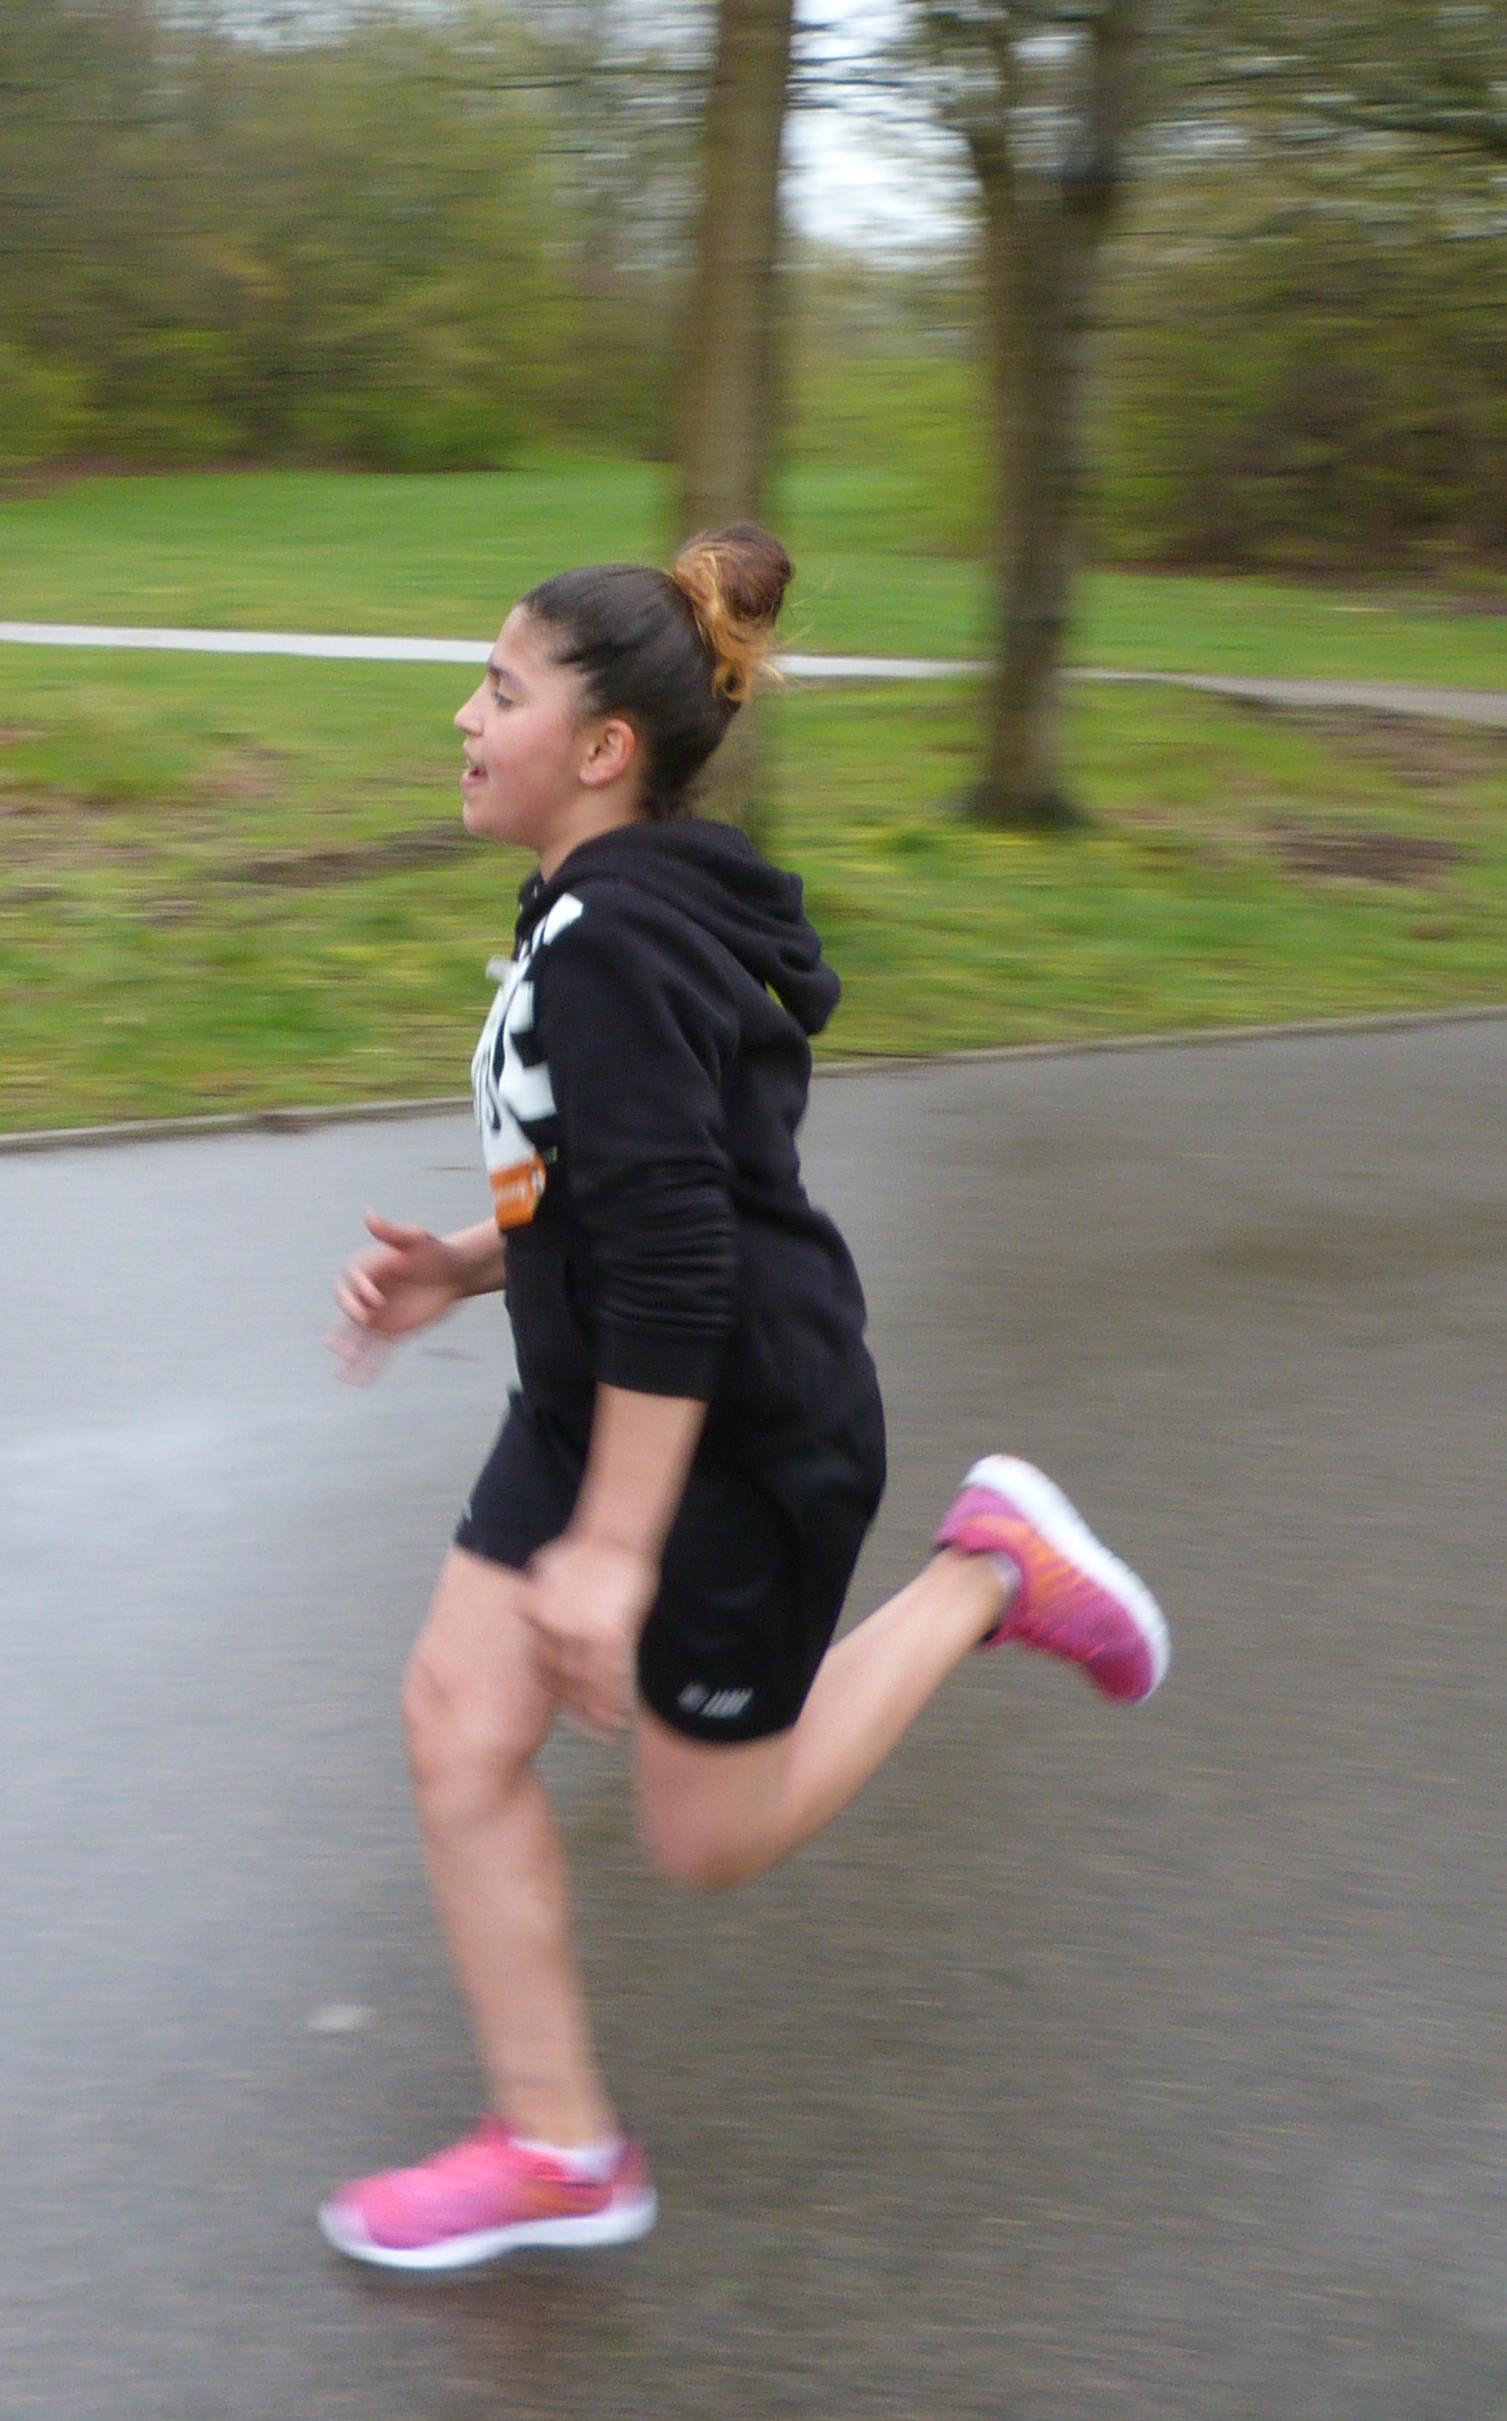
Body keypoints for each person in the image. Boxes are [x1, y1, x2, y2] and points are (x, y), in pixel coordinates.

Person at [316, 526, 1172, 2272]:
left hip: (735, 1432)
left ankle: (989, 1571)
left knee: (705, 1837)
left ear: (602, 748)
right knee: (455, 1724)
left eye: (498, 689)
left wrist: (616, 1550)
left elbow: (684, 1259)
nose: (463, 716)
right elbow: (617, 1190)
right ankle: (557, 2149)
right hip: (599, 1396)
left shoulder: (617, 940)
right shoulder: (591, 910)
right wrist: (468, 1269)